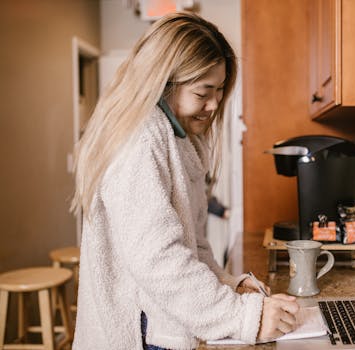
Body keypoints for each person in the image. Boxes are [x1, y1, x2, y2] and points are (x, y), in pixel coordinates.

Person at [71, 12, 299, 350]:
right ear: (164, 83)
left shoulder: (177, 141)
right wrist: (243, 316)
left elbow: (192, 248)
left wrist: (228, 287)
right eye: (203, 92)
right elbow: (159, 260)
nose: (215, 103)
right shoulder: (141, 140)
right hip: (141, 335)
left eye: (220, 90)